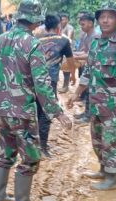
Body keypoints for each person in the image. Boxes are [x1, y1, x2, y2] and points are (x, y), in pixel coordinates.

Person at [0, 0, 73, 201]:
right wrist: (58, 113)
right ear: (36, 20)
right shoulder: (33, 45)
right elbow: (42, 84)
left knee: (6, 152)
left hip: (1, 111)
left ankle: (0, 196)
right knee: (30, 156)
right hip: (22, 111)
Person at [69, 2, 116, 191]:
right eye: (102, 16)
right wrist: (77, 93)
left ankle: (113, 178)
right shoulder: (95, 42)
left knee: (113, 140)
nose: (105, 20)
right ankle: (103, 169)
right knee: (97, 138)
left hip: (114, 104)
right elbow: (88, 72)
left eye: (110, 16)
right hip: (96, 102)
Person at [37, 14, 73, 158]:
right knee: (46, 113)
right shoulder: (63, 41)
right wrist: (73, 75)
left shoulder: (36, 40)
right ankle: (42, 147)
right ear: (59, 27)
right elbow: (71, 61)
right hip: (49, 81)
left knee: (35, 110)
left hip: (33, 80)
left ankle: (32, 144)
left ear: (45, 27)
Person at [72, 11, 98, 124]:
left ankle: (88, 116)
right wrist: (74, 55)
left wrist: (75, 57)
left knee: (91, 92)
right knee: (87, 91)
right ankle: (86, 113)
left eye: (83, 24)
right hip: (89, 67)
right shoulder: (87, 35)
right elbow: (85, 51)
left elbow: (92, 55)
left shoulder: (95, 36)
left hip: (95, 68)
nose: (81, 27)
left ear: (91, 23)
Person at [58, 13, 76, 93]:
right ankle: (63, 85)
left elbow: (69, 39)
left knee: (66, 68)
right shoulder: (60, 27)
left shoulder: (70, 28)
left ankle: (65, 87)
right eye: (61, 19)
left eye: (64, 19)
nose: (62, 21)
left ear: (67, 20)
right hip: (61, 49)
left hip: (68, 49)